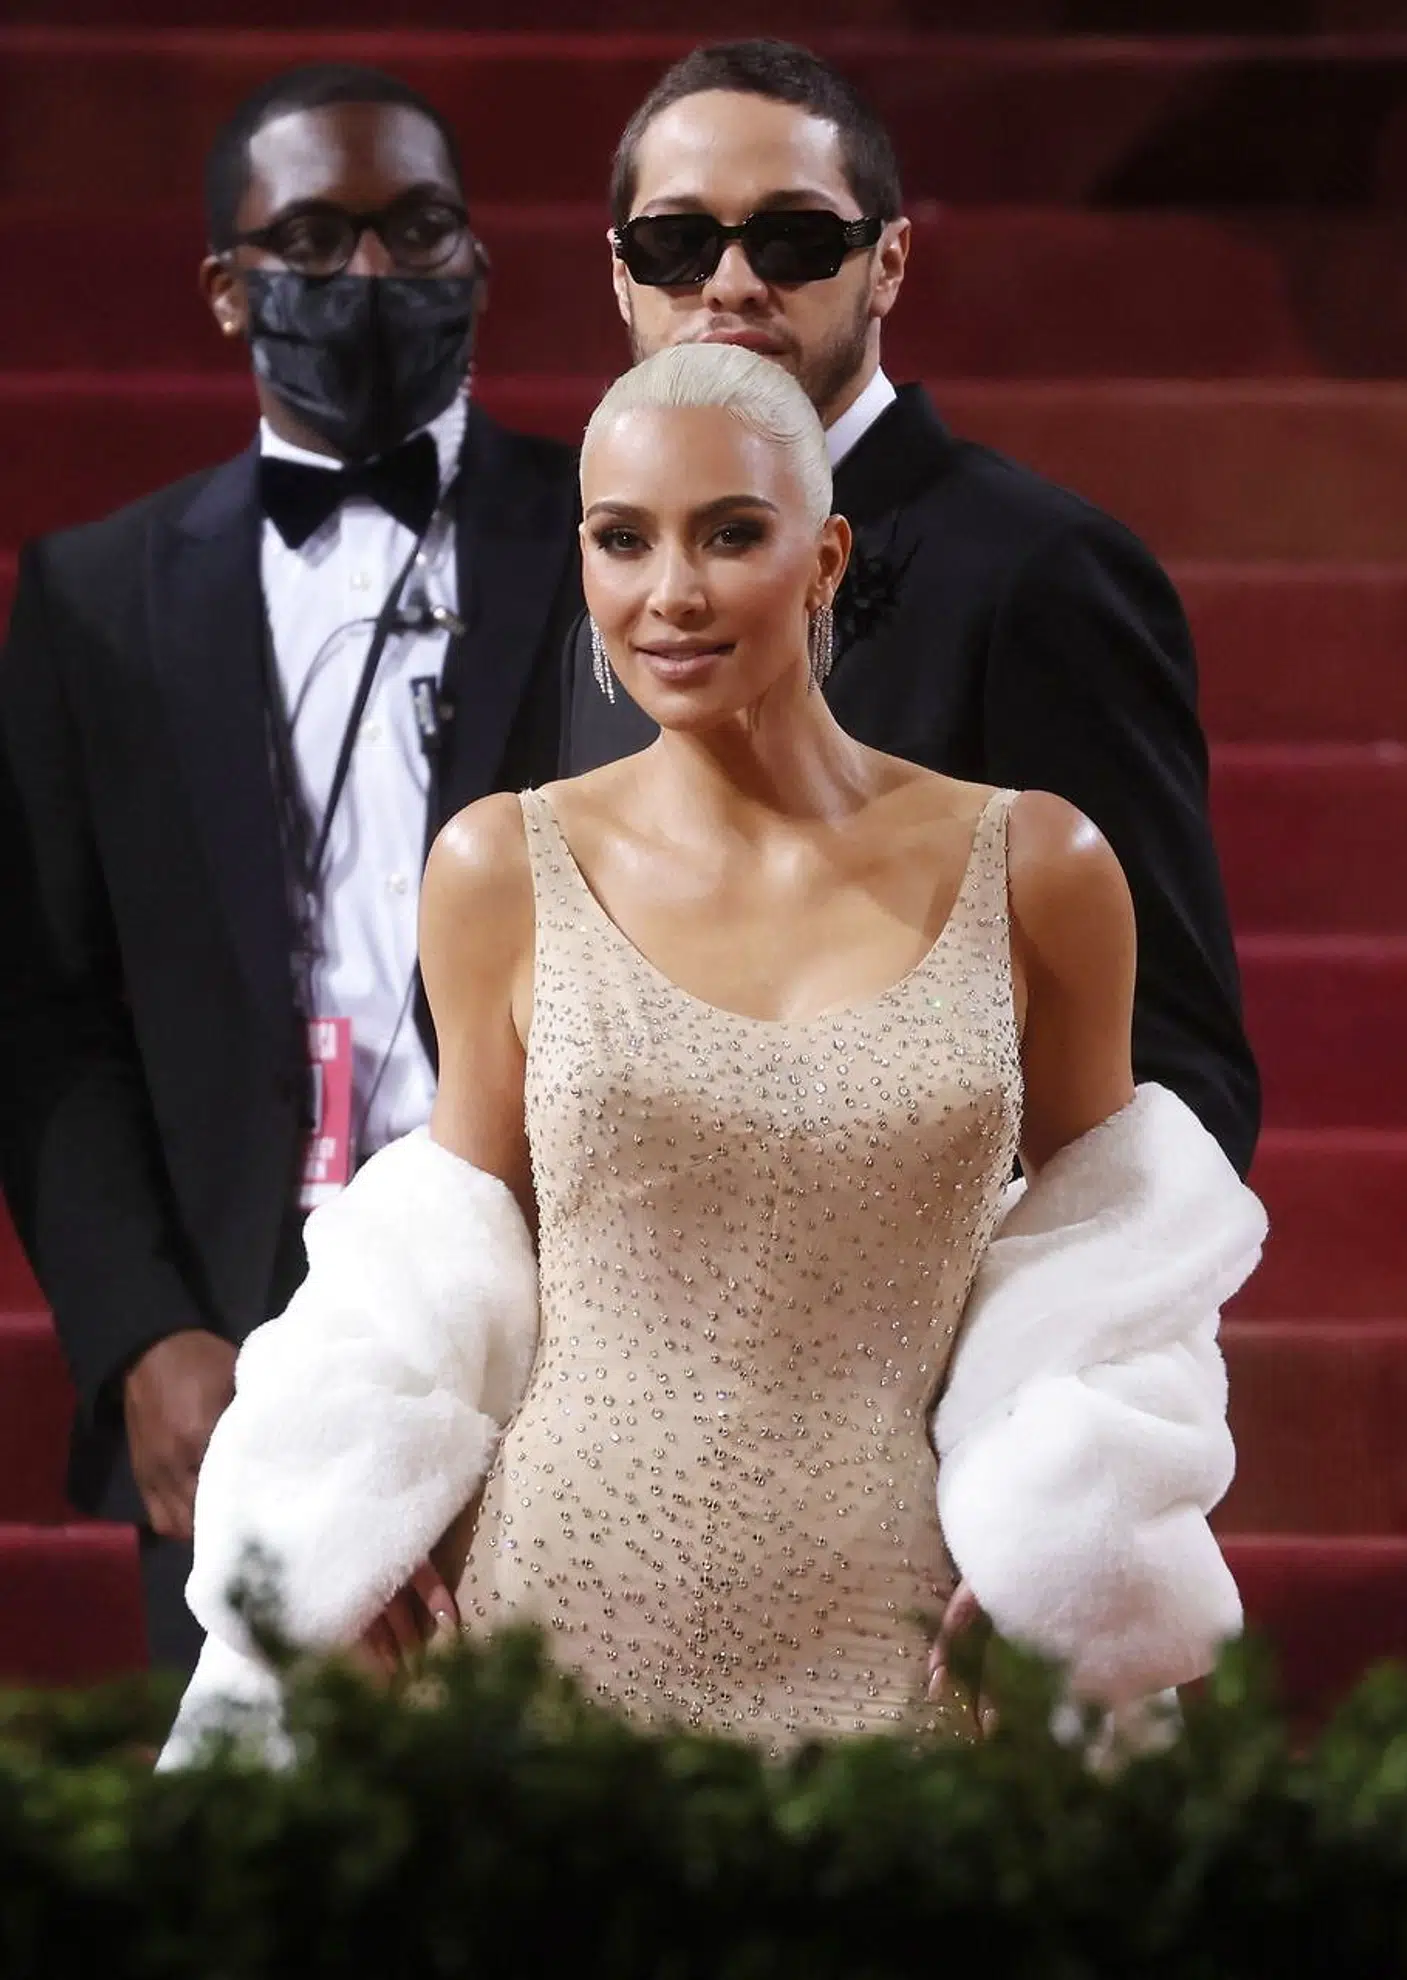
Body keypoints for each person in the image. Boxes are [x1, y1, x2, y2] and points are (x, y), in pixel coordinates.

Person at [161, 345, 1264, 1766]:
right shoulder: (500, 864)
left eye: (730, 534)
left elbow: (1117, 1260)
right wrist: (358, 1520)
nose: (669, 593)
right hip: (541, 1616)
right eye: (624, 540)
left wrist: (1072, 1539)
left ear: (826, 555)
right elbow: (448, 1244)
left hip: (907, 1631)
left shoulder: (1038, 865)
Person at [0, 63, 581, 1678]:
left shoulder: (620, 539)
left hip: (570, 1322)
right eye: (314, 240)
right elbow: (42, 1008)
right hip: (238, 1358)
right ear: (224, 291)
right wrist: (137, 1336)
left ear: (479, 259)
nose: (373, 278)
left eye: (418, 231)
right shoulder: (97, 596)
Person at [561, 39, 1260, 1177]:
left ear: (887, 264)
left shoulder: (1045, 572)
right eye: (678, 245)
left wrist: (1010, 1342)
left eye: (791, 239)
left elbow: (1171, 1065)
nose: (732, 284)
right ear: (620, 274)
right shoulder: (605, 564)